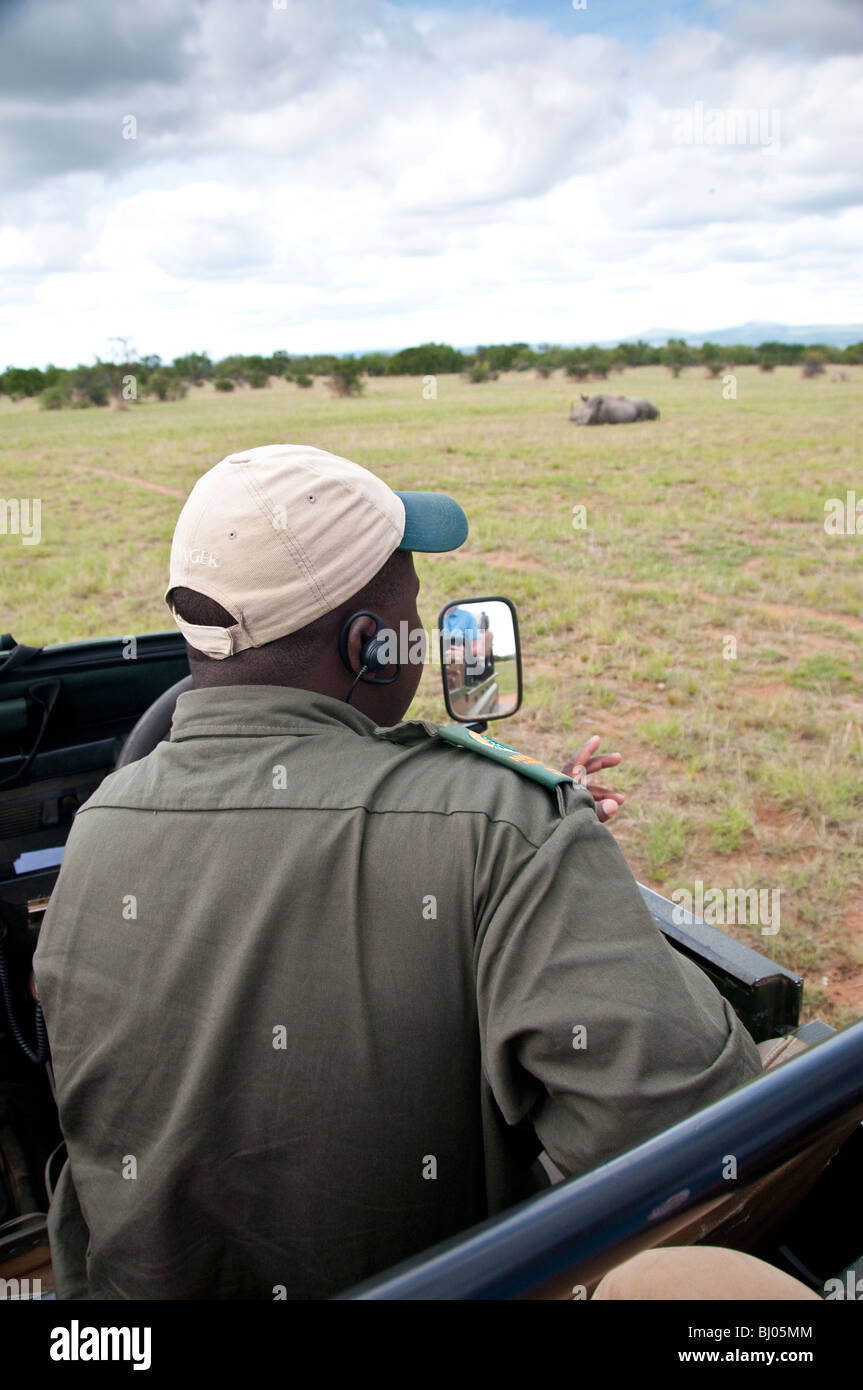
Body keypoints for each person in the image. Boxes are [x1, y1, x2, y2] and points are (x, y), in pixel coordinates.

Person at [34, 443, 762, 1300]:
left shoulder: (95, 833)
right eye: (414, 610)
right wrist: (561, 859)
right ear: (370, 646)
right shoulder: (503, 829)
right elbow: (692, 1129)